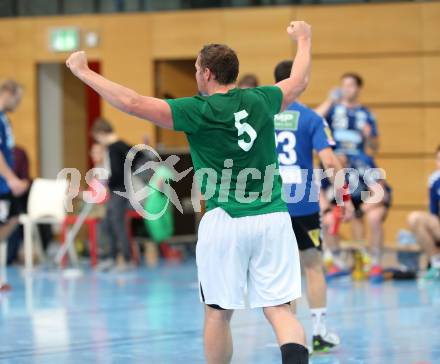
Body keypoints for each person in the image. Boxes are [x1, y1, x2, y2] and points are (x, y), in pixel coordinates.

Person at [67, 20, 312, 364]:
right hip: (273, 218)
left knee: (217, 313)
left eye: (197, 68)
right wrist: (303, 39)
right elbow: (298, 81)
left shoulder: (197, 110)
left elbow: (131, 102)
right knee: (281, 311)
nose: (196, 74)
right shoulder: (261, 98)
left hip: (224, 220)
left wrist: (84, 72)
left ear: (208, 74)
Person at [274, 60, 353, 352]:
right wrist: (343, 198)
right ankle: (318, 332)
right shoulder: (310, 118)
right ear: (300, 81)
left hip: (271, 205)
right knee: (313, 267)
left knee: (284, 272)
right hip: (303, 205)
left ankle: (290, 338)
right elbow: (330, 162)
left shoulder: (260, 116)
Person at [91, 118, 134, 272]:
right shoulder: (119, 146)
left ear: (101, 134)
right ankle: (112, 257)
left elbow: (116, 172)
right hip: (117, 189)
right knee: (108, 222)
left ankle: (126, 259)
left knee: (117, 223)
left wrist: (108, 184)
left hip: (119, 189)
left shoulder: (115, 147)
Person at [0, 80, 28, 290]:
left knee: (14, 216)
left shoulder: (4, 120)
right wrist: (10, 178)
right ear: (8, 93)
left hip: (4, 185)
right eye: (18, 98)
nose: (19, 103)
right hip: (2, 183)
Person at [315, 73, 379, 156]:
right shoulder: (332, 109)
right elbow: (314, 118)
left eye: (350, 85)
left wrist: (369, 136)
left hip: (357, 159)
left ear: (358, 88)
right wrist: (330, 100)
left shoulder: (366, 113)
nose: (346, 89)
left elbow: (375, 147)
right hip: (335, 156)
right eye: (344, 86)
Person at [408, 146, 440, 280]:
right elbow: (433, 212)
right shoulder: (434, 180)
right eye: (438, 159)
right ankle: (436, 263)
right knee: (414, 218)